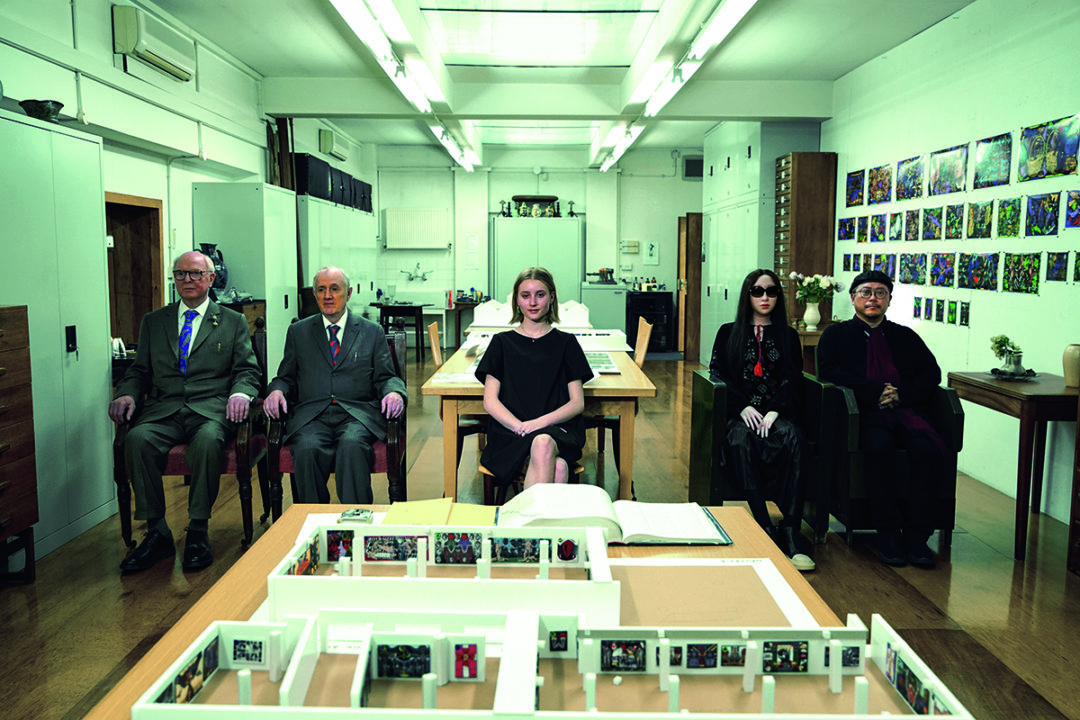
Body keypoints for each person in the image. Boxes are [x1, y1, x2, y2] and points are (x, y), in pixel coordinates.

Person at [110, 251, 260, 573]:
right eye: (180, 274)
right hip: (164, 410)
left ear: (211, 279)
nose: (187, 279)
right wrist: (126, 394)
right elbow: (139, 371)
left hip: (210, 410)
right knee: (137, 439)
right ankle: (157, 531)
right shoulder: (154, 322)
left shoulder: (232, 321)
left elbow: (247, 371)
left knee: (207, 442)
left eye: (195, 273)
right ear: (174, 279)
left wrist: (239, 393)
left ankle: (197, 530)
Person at [816, 269, 946, 568]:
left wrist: (901, 395)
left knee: (929, 451)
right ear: (853, 298)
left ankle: (917, 535)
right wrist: (874, 391)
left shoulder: (905, 336)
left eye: (880, 293)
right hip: (863, 414)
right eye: (866, 292)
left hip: (907, 412)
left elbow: (931, 374)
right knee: (879, 448)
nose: (872, 298)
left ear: (889, 300)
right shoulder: (836, 335)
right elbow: (830, 371)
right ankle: (888, 532)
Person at [264, 266, 406, 504]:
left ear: (348, 293)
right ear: (314, 294)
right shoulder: (298, 332)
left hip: (356, 415)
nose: (327, 295)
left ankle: (356, 517)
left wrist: (394, 393)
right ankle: (312, 518)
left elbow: (386, 377)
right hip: (312, 416)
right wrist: (276, 391)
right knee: (306, 448)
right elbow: (285, 377)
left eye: (334, 289)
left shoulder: (372, 332)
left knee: (352, 445)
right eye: (321, 289)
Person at [708, 269, 814, 572]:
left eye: (771, 291)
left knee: (795, 439)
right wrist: (741, 407)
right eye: (757, 291)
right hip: (741, 414)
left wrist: (775, 410)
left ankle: (791, 531)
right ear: (748, 295)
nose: (764, 297)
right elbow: (717, 372)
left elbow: (793, 377)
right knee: (739, 440)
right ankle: (765, 527)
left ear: (778, 296)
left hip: (775, 413)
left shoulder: (788, 335)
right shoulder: (728, 332)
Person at [474, 267, 592, 493]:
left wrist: (537, 425)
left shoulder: (567, 343)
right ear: (517, 300)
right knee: (558, 467)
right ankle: (542, 517)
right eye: (525, 295)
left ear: (552, 297)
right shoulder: (501, 343)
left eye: (540, 294)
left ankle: (525, 515)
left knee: (543, 441)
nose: (533, 302)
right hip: (510, 431)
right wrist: (520, 427)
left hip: (557, 429)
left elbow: (577, 403)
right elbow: (490, 401)